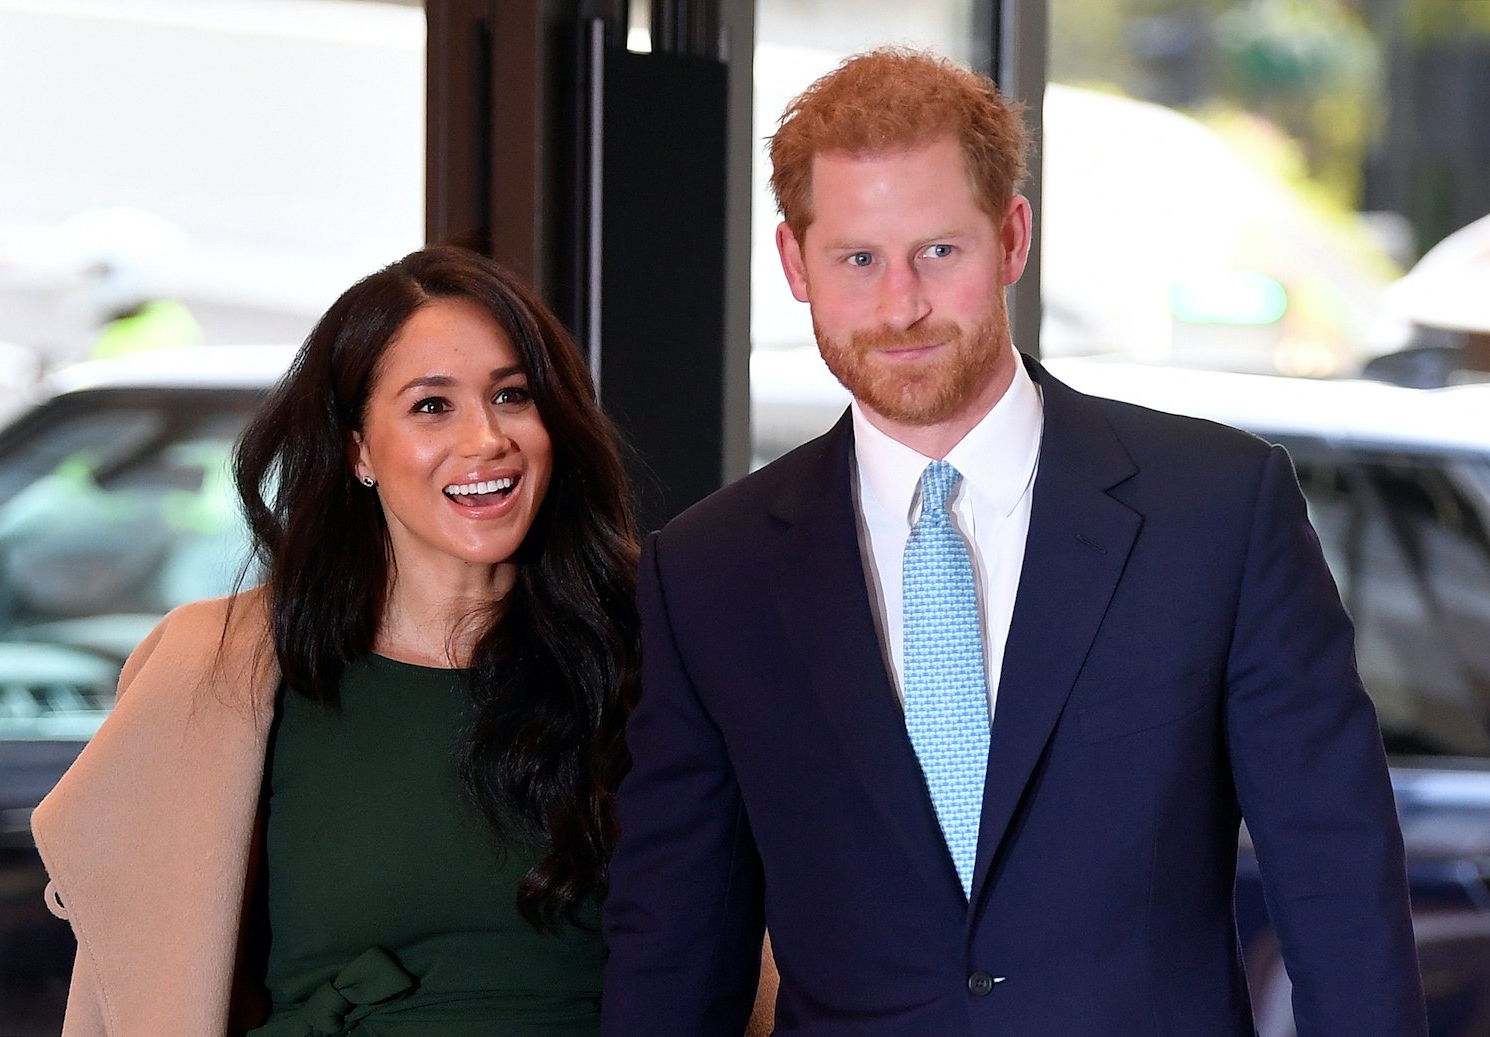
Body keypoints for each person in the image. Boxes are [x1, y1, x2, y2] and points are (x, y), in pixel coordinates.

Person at [602, 48, 1427, 1036]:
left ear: (1011, 236)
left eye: (939, 252)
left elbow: (1339, 886)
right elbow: (677, 946)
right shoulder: (708, 574)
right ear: (794, 263)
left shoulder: (1217, 510)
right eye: (857, 258)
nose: (901, 303)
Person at [32, 245, 641, 1036]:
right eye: (432, 406)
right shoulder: (227, 668)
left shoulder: (650, 649)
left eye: (512, 395)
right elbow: (140, 980)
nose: (486, 438)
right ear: (357, 448)